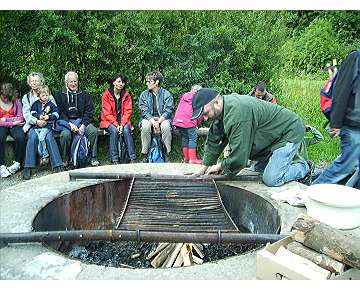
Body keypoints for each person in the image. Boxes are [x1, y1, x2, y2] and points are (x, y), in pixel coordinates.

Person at [186, 88, 312, 187]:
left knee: (271, 179)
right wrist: (204, 167)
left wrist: (222, 166)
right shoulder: (223, 110)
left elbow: (240, 157)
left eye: (206, 113)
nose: (206, 118)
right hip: (272, 136)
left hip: (288, 132)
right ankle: (285, 163)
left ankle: (304, 167)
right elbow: (214, 139)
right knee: (256, 171)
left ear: (217, 102)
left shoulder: (237, 113)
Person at [312, 49, 360, 187]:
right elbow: (341, 90)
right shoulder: (355, 58)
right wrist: (336, 123)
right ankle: (311, 194)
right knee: (345, 166)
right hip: (352, 125)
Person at [22, 72, 63, 180]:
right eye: (32, 81)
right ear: (29, 83)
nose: (34, 83)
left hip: (47, 124)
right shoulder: (26, 97)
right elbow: (26, 114)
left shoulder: (48, 95)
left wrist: (48, 118)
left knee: (49, 137)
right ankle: (28, 166)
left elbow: (55, 110)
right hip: (33, 125)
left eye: (36, 80)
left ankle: (58, 165)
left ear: (41, 81)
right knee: (32, 137)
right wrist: (36, 121)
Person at [55, 71, 99, 167]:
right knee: (65, 135)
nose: (73, 84)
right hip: (66, 123)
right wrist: (69, 124)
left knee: (93, 131)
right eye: (71, 81)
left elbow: (89, 111)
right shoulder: (59, 95)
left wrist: (83, 125)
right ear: (66, 82)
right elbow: (59, 112)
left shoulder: (84, 95)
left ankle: (93, 157)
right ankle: (65, 158)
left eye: (75, 81)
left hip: (81, 121)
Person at [99, 73, 136, 164]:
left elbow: (128, 111)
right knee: (114, 131)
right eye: (118, 81)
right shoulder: (106, 95)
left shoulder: (126, 95)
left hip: (123, 121)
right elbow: (107, 114)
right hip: (109, 121)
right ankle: (114, 158)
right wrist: (117, 125)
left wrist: (122, 125)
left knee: (127, 130)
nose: (121, 84)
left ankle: (132, 158)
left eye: (122, 82)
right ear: (113, 83)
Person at [139, 70, 173, 162]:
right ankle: (145, 154)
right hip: (149, 118)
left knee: (166, 127)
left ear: (157, 82)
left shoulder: (166, 94)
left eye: (149, 81)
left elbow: (168, 110)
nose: (147, 83)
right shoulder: (144, 95)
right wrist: (153, 122)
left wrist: (158, 122)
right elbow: (144, 111)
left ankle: (166, 153)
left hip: (162, 118)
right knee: (145, 127)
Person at [0, 83, 26, 178]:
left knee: (21, 137)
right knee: (0, 137)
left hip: (15, 125)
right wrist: (12, 122)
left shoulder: (16, 102)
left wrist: (5, 120)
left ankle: (17, 163)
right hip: (3, 126)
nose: (6, 99)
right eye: (4, 97)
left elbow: (20, 118)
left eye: (8, 97)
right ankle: (1, 165)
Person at [172, 84, 202, 164]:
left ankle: (186, 158)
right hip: (189, 121)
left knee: (185, 137)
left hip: (179, 120)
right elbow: (199, 113)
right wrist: (196, 123)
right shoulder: (198, 98)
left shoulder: (184, 96)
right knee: (192, 138)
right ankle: (192, 159)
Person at [30, 85, 59, 166]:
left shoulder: (51, 104)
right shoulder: (36, 103)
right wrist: (38, 116)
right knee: (38, 140)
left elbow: (56, 114)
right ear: (39, 95)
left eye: (47, 95)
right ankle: (41, 155)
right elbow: (32, 112)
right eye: (43, 95)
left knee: (41, 137)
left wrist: (48, 117)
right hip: (37, 126)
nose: (45, 97)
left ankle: (45, 155)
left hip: (47, 126)